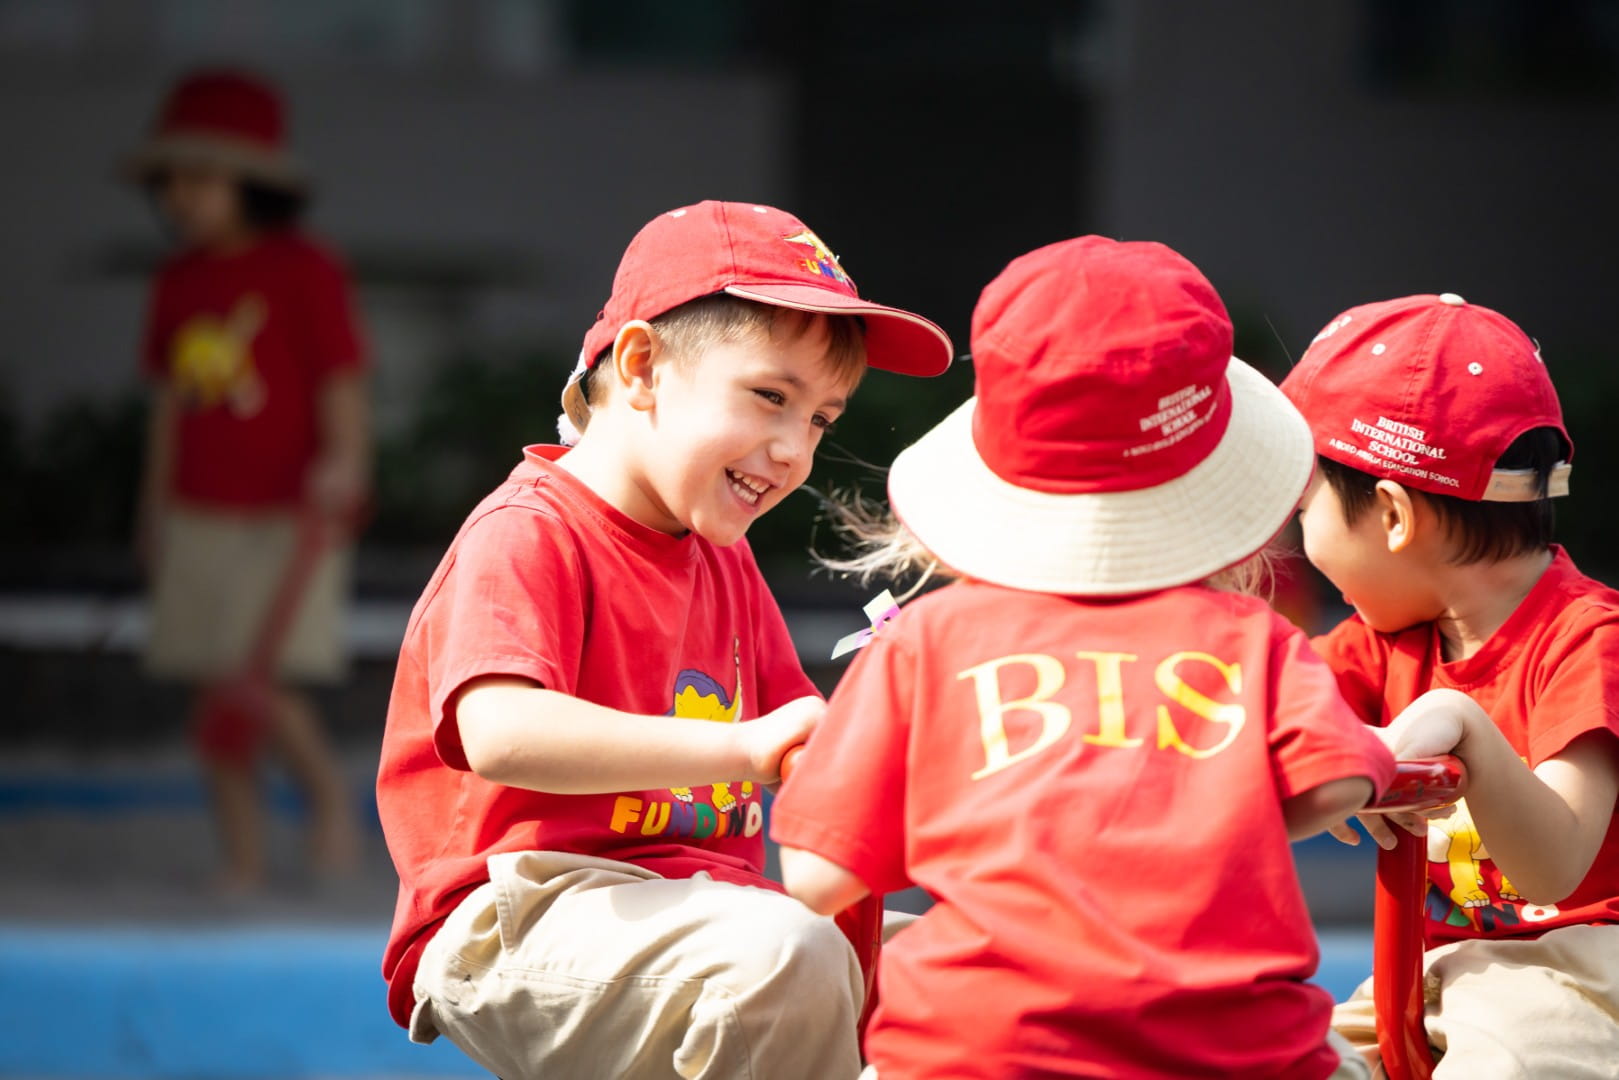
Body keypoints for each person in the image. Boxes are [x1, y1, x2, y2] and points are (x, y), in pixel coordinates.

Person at [770, 235, 1398, 1079]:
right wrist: (1208, 817)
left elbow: (814, 874)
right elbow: (1337, 785)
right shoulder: (1253, 640)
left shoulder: (927, 641)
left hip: (973, 1052)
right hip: (1229, 1055)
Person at [376, 200, 954, 1079]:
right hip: (520, 913)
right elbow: (497, 733)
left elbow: (800, 732)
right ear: (642, 365)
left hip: (703, 909)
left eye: (821, 421)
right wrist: (744, 746)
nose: (794, 448)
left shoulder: (719, 559)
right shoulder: (529, 530)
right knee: (785, 957)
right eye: (771, 397)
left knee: (977, 978)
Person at [1280, 293, 1619, 1077]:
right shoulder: (1384, 643)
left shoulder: (1587, 642)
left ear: (1393, 515)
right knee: (1281, 1055)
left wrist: (1456, 718)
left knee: (1515, 1059)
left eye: (1304, 507)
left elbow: (1554, 864)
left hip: (1575, 969)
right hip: (1427, 971)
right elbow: (1255, 739)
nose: (1299, 536)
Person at [128, 68, 369, 891]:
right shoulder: (176, 283)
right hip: (197, 514)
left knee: (259, 684)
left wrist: (347, 465)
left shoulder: (308, 270)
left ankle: (327, 798)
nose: (181, 198)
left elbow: (341, 380)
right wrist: (152, 509)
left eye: (201, 178)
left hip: (287, 516)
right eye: (172, 181)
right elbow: (168, 407)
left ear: (251, 181)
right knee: (212, 696)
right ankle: (242, 861)